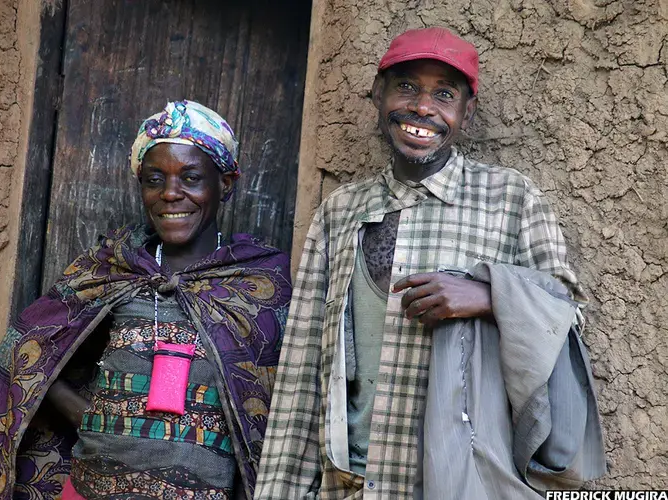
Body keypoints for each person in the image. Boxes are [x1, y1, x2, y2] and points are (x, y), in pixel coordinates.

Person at [255, 27, 606, 499]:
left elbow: (568, 312)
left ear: (467, 111)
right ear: (378, 94)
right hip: (351, 484)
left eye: (444, 93)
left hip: (461, 483)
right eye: (406, 87)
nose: (422, 107)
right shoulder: (340, 212)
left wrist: (488, 296)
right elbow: (301, 368)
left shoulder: (511, 199)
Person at [0, 100, 292, 500]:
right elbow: (25, 352)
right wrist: (94, 419)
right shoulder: (115, 265)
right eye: (154, 179)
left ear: (225, 184)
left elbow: (284, 407)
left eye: (191, 178)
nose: (170, 194)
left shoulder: (260, 281)